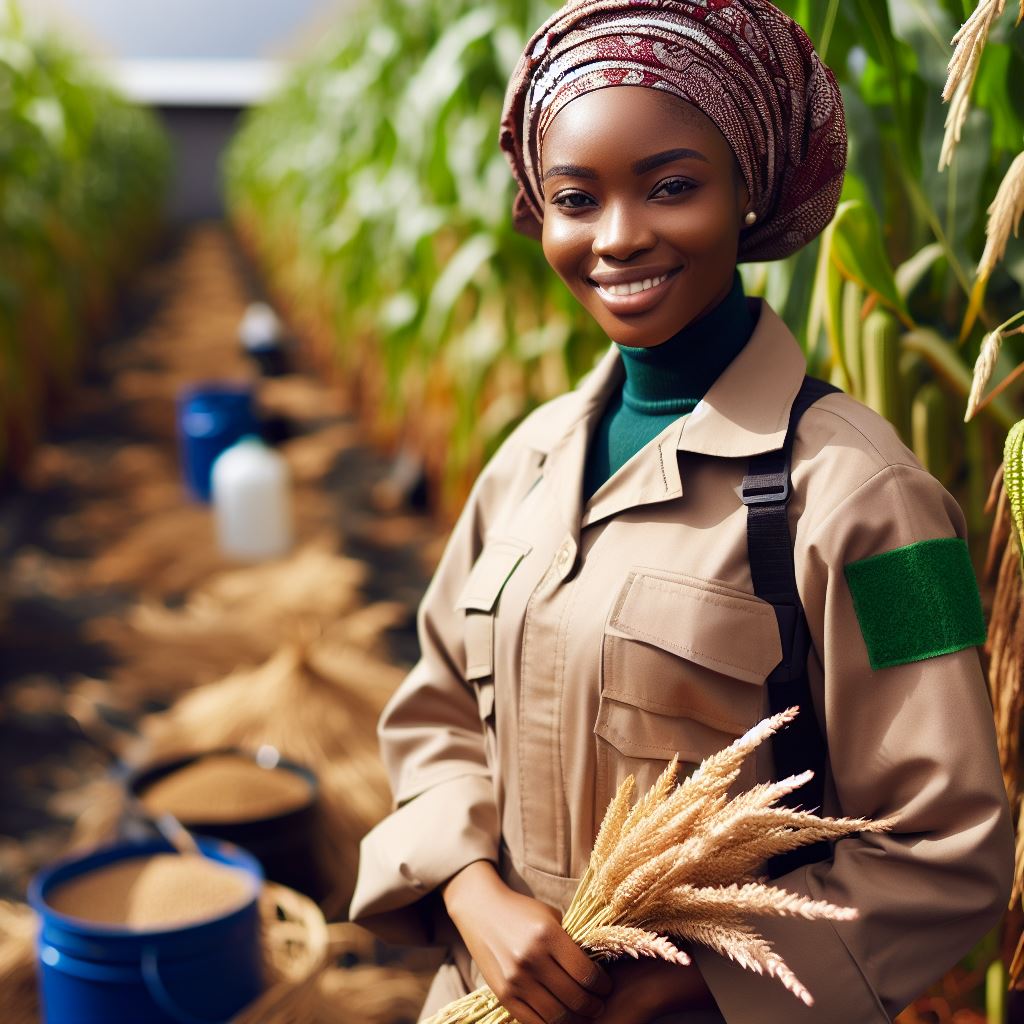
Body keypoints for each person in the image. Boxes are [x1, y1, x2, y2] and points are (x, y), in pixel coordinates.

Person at [349, 1, 1014, 1021]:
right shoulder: (524, 462)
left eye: (670, 187)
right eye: (576, 197)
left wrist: (681, 979)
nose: (616, 237)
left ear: (749, 189)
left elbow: (950, 845)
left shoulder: (879, 504)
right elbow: (435, 708)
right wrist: (468, 890)